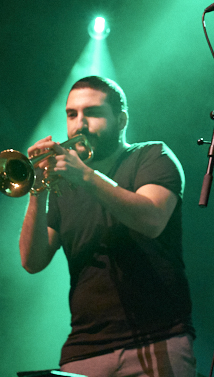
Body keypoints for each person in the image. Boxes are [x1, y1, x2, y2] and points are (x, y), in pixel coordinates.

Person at [19, 76, 196, 377]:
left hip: (155, 336)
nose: (79, 125)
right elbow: (32, 261)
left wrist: (86, 177)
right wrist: (37, 190)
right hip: (83, 349)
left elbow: (151, 220)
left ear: (122, 119)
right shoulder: (63, 184)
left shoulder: (152, 156)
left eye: (93, 113)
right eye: (72, 114)